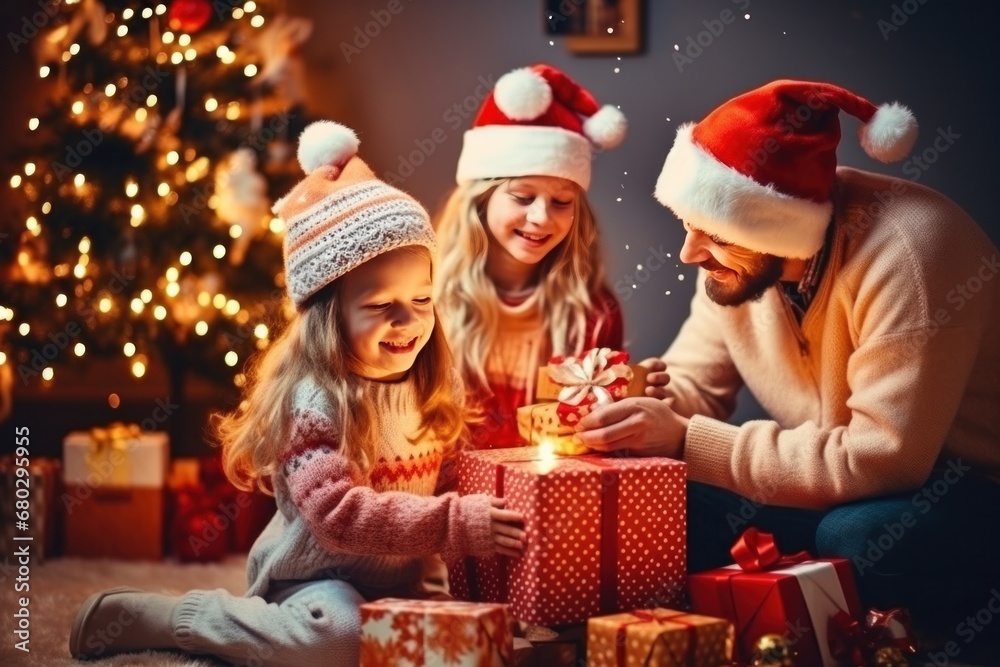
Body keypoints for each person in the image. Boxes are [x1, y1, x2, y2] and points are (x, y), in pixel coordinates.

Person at [68, 121, 527, 665]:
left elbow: (448, 485)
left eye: (422, 300)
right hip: (317, 581)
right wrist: (455, 521)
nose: (409, 321)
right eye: (382, 306)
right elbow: (336, 515)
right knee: (337, 639)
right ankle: (178, 618)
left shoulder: (431, 385)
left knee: (479, 641)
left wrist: (478, 565)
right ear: (328, 315)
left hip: (403, 577)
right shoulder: (315, 400)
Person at [576, 79, 1000, 623]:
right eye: (687, 225)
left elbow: (883, 459)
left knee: (862, 537)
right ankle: (807, 592)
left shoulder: (911, 253)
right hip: (836, 488)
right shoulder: (737, 260)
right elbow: (695, 386)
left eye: (711, 233)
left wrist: (682, 437)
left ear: (778, 227)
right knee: (649, 505)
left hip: (958, 487)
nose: (688, 253)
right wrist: (631, 404)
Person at [434, 63, 628, 451]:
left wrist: (627, 397)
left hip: (551, 497)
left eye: (561, 202)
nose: (541, 218)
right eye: (522, 197)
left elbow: (592, 439)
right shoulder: (425, 296)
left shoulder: (594, 313)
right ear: (481, 200)